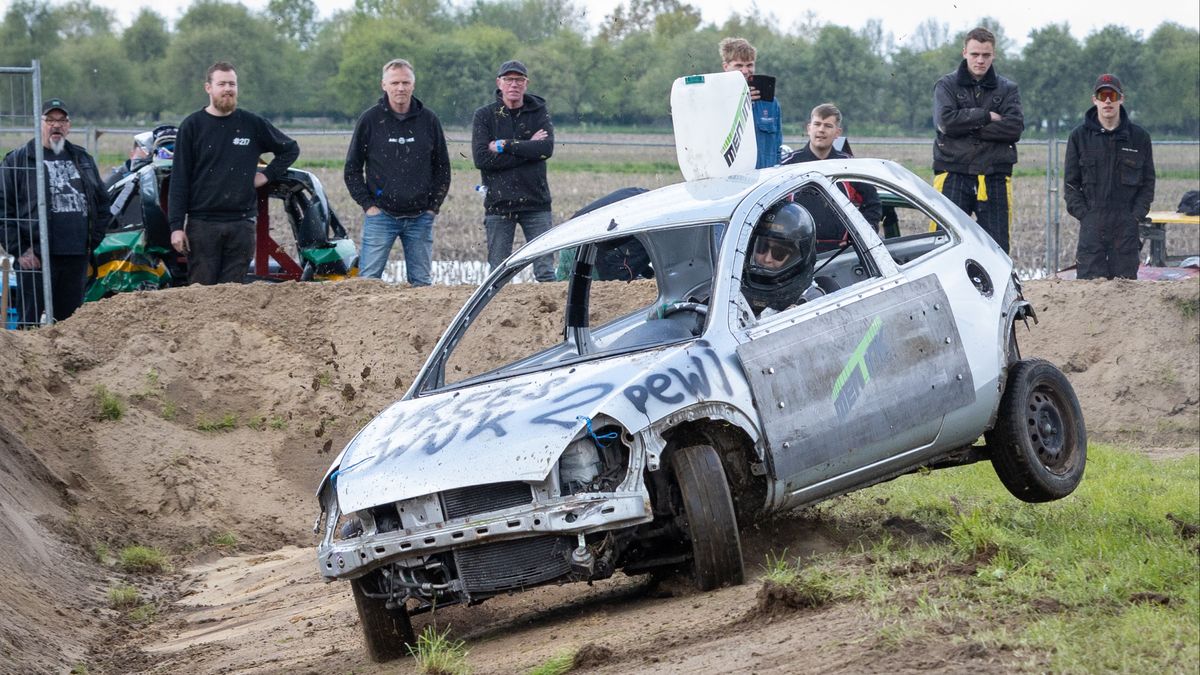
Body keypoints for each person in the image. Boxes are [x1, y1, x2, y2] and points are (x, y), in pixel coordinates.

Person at [168, 61, 299, 285]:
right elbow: (179, 179)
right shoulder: (192, 126)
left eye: (232, 84)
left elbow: (290, 149)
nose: (228, 89)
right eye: (222, 84)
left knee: (235, 294)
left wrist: (267, 175)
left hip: (241, 225)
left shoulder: (251, 124)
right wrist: (177, 227)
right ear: (208, 88)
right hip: (203, 225)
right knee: (201, 292)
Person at [1, 98, 112, 324]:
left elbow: (102, 203)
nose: (56, 125)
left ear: (69, 126)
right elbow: (3, 209)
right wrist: (20, 250)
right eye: (50, 119)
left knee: (69, 325)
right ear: (39, 124)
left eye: (62, 120)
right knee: (29, 324)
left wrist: (92, 241)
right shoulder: (19, 160)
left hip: (75, 258)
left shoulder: (82, 158)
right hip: (36, 259)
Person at [344, 59, 451, 285]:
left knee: (421, 283)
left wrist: (433, 207)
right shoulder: (370, 120)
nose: (400, 88)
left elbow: (442, 169)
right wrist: (369, 206)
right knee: (368, 281)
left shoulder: (429, 120)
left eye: (405, 82)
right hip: (381, 216)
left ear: (413, 85)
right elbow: (352, 169)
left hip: (420, 217)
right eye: (394, 83)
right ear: (384, 85)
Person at [933, 26, 1023, 253]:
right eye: (975, 54)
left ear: (993, 55)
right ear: (964, 52)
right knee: (944, 245)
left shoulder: (1009, 88)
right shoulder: (946, 85)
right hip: (952, 174)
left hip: (994, 177)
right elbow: (945, 122)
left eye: (985, 55)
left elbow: (1014, 128)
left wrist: (968, 126)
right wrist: (986, 116)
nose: (980, 60)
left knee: (997, 249)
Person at [1063, 74, 1155, 280]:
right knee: (1089, 289)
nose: (1107, 101)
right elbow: (1071, 184)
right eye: (1102, 95)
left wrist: (1135, 216)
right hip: (1092, 225)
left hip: (1125, 227)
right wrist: (1085, 215)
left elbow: (1148, 183)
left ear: (1121, 98)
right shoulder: (1079, 137)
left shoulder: (1139, 138)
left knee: (1125, 290)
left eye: (1112, 95)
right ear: (1094, 99)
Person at [471, 59, 556, 281]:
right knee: (498, 273)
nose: (514, 84)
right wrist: (528, 146)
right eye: (508, 79)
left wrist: (504, 145)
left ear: (526, 84)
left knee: (546, 271)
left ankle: (554, 315)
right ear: (499, 83)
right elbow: (482, 158)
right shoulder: (485, 115)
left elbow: (545, 148)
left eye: (519, 80)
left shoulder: (538, 111)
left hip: (536, 203)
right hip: (499, 205)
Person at [782, 103, 882, 244]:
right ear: (809, 128)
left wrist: (860, 236)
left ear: (837, 133)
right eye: (817, 124)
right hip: (793, 252)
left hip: (838, 255)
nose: (821, 130)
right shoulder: (788, 166)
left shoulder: (849, 166)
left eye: (828, 126)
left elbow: (873, 203)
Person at [741, 202, 821, 318]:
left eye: (779, 253)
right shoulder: (732, 286)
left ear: (797, 256)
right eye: (761, 248)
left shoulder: (811, 303)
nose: (767, 259)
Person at [720, 37, 782, 169]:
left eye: (749, 65)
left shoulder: (771, 103)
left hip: (766, 179)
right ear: (726, 67)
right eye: (739, 65)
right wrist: (739, 102)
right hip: (732, 180)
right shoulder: (716, 100)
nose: (745, 71)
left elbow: (777, 147)